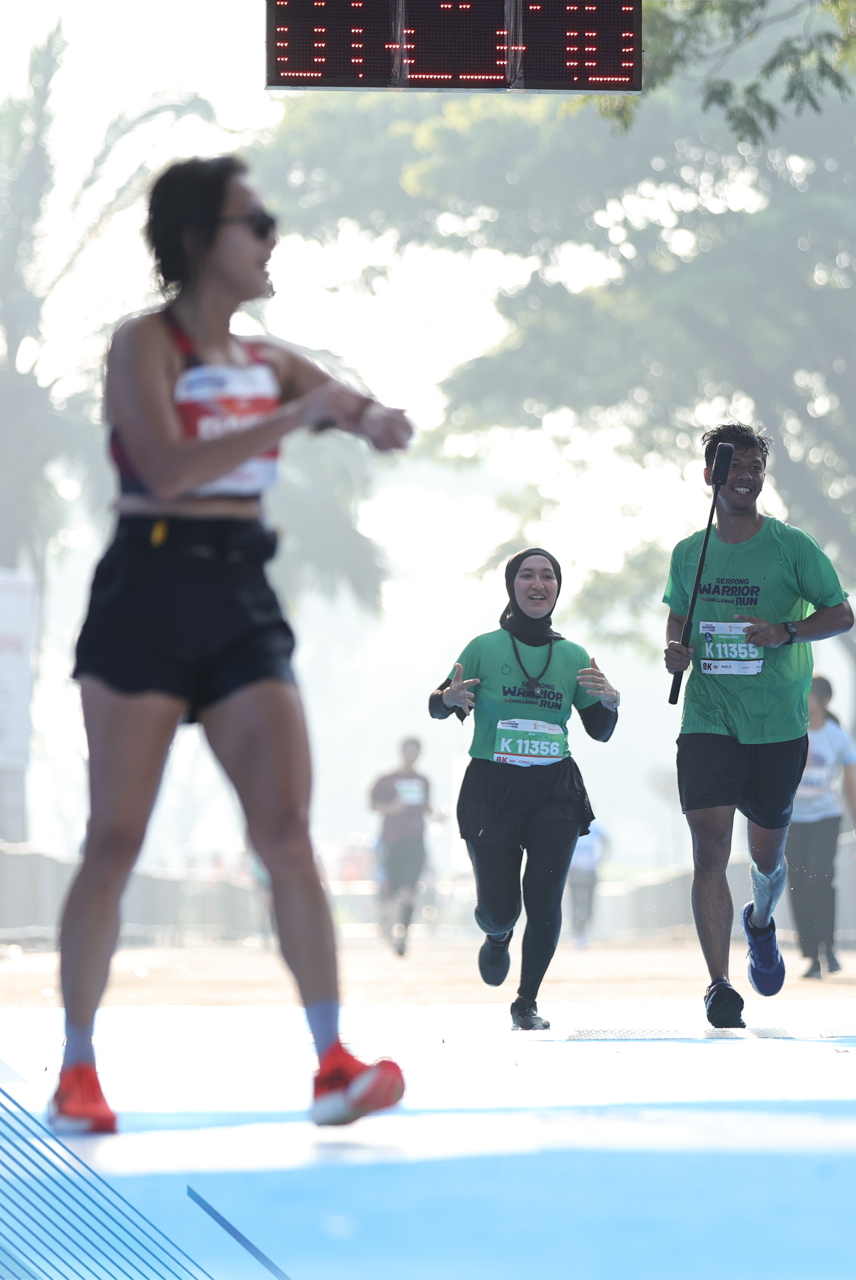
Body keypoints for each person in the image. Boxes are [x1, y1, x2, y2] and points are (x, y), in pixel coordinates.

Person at [51, 155, 414, 1134]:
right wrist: (297, 415)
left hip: (240, 591)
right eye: (254, 221)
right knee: (115, 838)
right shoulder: (146, 344)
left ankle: (332, 1061)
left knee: (286, 830)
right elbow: (166, 468)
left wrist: (373, 419)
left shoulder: (270, 359)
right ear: (198, 239)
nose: (270, 237)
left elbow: (344, 403)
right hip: (147, 584)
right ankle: (77, 1068)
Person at [663, 424, 854, 1029]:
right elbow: (678, 619)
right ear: (710, 476)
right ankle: (719, 985)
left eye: (755, 467)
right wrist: (675, 650)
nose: (746, 477)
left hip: (777, 726)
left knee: (767, 856)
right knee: (710, 850)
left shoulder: (792, 547)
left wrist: (786, 631)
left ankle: (762, 921)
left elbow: (841, 614)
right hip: (708, 718)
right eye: (734, 467)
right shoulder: (689, 553)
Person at [432, 547, 620, 1030]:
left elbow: (600, 731)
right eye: (528, 575)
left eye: (548, 576)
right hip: (491, 787)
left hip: (554, 788)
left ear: (558, 587)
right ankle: (497, 936)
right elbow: (438, 704)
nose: (538, 584)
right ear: (512, 585)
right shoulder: (483, 647)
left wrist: (610, 701)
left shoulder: (574, 656)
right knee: (500, 910)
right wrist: (447, 698)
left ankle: (526, 1001)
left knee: (544, 896)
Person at [786, 675, 856, 978]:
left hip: (825, 818)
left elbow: (850, 788)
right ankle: (810, 955)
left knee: (819, 878)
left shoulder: (837, 737)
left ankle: (828, 947)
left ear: (823, 700)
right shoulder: (787, 729)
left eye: (807, 693)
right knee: (796, 882)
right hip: (791, 819)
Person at [369, 737, 432, 957]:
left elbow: (425, 805)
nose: (411, 756)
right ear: (402, 753)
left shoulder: (423, 781)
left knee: (409, 889)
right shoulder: (387, 780)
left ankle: (402, 934)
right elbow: (373, 804)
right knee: (392, 889)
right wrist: (391, 809)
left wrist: (434, 813)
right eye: (408, 751)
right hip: (393, 841)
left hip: (416, 841)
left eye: (415, 752)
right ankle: (387, 925)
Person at [566, 821, 609, 948]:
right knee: (574, 902)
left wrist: (602, 857)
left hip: (590, 872)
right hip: (574, 872)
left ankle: (586, 931)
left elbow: (606, 840)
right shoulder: (571, 826)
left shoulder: (594, 828)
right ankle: (576, 932)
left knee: (589, 902)